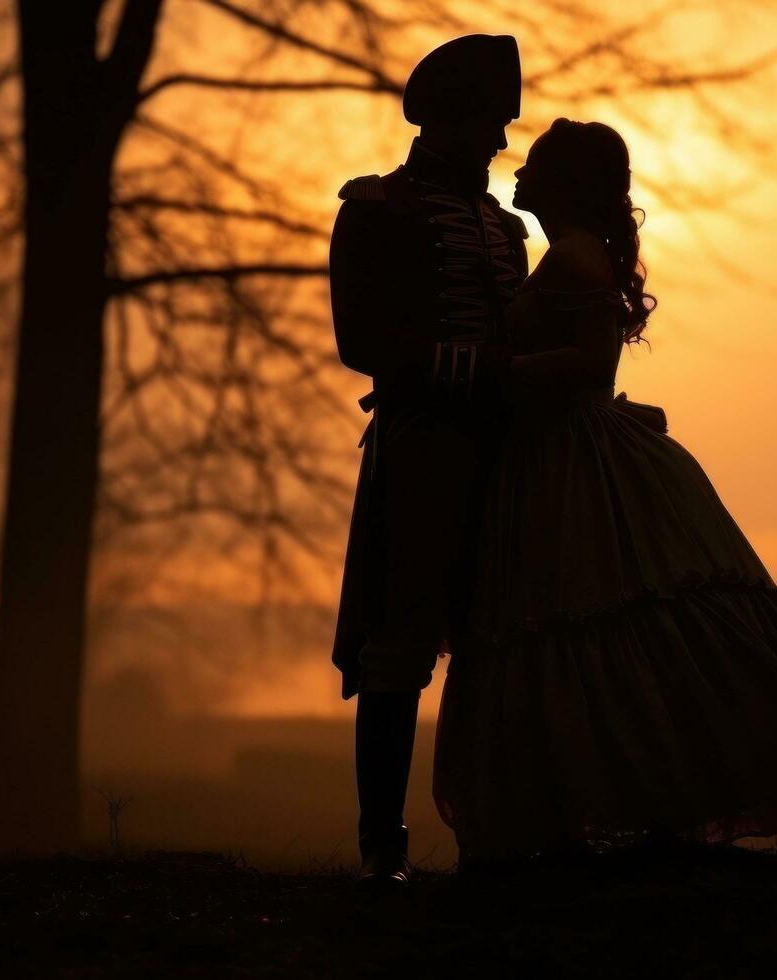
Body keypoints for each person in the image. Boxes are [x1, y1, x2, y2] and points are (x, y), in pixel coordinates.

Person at [432, 119, 777, 862]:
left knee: (575, 615)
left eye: (536, 163)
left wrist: (495, 370)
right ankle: (598, 813)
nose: (518, 171)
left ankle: (602, 812)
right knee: (576, 621)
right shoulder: (570, 253)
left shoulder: (572, 257)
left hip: (570, 463)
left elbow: (590, 362)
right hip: (558, 454)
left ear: (566, 184)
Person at [327, 34, 530, 886]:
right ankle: (384, 846)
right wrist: (477, 372)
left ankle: (501, 838)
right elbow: (363, 340)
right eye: (488, 121)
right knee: (399, 646)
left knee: (507, 640)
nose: (498, 141)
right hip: (422, 453)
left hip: (509, 457)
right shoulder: (375, 209)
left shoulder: (505, 228)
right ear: (447, 117)